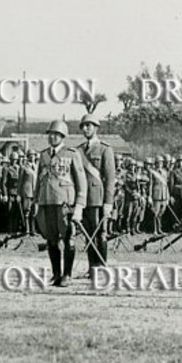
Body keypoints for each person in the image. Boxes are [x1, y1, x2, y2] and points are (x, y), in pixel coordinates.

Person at [34, 120, 87, 286]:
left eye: (56, 135)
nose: (53, 137)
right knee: (51, 239)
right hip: (47, 202)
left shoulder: (71, 154)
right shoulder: (43, 155)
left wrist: (79, 205)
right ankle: (56, 274)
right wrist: (36, 201)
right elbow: (39, 182)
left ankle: (67, 275)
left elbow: (81, 181)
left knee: (68, 238)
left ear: (63, 136)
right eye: (51, 134)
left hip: (65, 204)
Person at [75, 113, 116, 280]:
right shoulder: (78, 150)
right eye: (83, 126)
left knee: (100, 234)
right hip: (84, 199)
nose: (85, 129)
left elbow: (110, 178)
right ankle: (92, 268)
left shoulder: (105, 149)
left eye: (89, 126)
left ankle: (101, 267)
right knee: (88, 234)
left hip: (98, 199)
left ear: (96, 128)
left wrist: (108, 202)